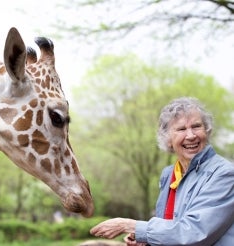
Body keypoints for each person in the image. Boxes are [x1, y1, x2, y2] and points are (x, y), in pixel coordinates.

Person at [90, 97, 234, 245]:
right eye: (181, 129)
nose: (191, 136)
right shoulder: (169, 175)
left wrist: (131, 226)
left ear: (207, 131)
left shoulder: (224, 174)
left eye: (196, 126)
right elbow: (172, 230)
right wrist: (146, 241)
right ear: (168, 139)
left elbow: (194, 233)